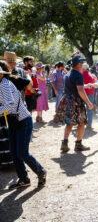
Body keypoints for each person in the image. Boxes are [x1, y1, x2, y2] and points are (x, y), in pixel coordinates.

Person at [0, 61, 46, 189]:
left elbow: (10, 103)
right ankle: (24, 179)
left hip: (22, 120)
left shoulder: (4, 84)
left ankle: (41, 171)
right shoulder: (3, 83)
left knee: (22, 153)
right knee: (15, 152)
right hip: (15, 120)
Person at [54, 55, 93, 153]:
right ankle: (78, 145)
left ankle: (64, 144)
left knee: (69, 123)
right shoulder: (79, 75)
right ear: (78, 64)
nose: (82, 64)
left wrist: (84, 86)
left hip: (67, 100)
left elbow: (75, 86)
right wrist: (88, 102)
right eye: (81, 63)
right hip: (76, 102)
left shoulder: (68, 74)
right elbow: (80, 90)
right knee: (81, 123)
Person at [82, 63, 96, 129]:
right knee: (89, 108)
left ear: (83, 68)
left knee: (82, 108)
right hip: (91, 93)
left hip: (83, 93)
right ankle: (89, 123)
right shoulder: (91, 75)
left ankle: (81, 122)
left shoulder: (81, 75)